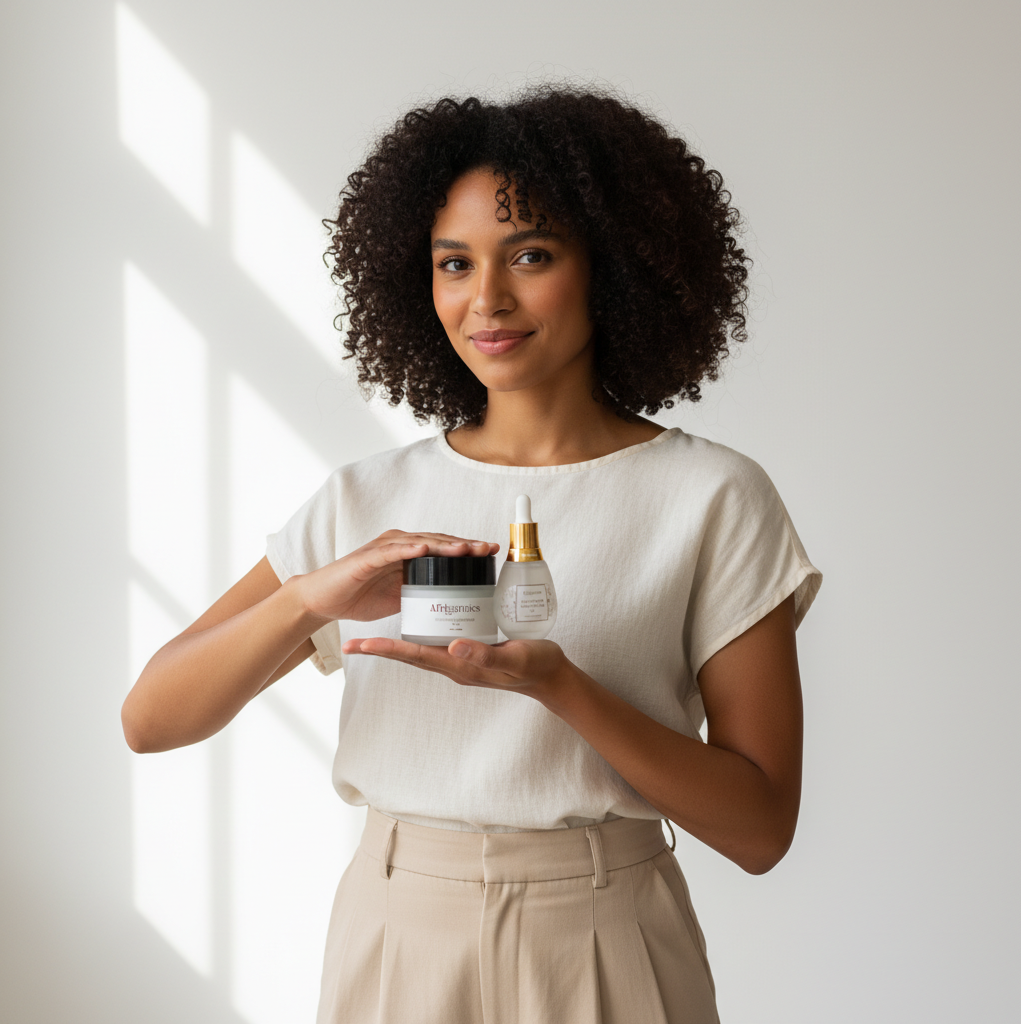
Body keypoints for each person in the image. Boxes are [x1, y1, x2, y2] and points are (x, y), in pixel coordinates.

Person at [122, 87, 821, 1024]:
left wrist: (558, 686)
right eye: (454, 263)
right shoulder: (366, 501)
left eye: (530, 255)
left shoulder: (712, 497)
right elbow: (150, 720)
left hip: (608, 930)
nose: (486, 299)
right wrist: (309, 600)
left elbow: (760, 828)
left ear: (612, 265)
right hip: (397, 931)